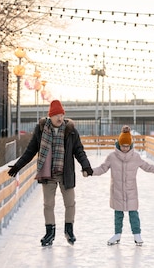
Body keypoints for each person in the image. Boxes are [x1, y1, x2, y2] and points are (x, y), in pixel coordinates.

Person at [7, 100, 92, 246]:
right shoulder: (41, 130)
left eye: (61, 115)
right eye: (56, 115)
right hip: (48, 173)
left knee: (70, 203)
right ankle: (49, 232)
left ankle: (69, 230)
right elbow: (30, 151)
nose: (59, 118)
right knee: (48, 204)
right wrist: (17, 166)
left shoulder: (70, 130)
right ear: (50, 116)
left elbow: (79, 150)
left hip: (66, 173)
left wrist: (86, 166)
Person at [90, 125, 154, 246]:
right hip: (117, 191)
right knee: (118, 214)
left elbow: (148, 167)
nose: (125, 148)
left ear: (130, 145)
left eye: (127, 146)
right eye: (123, 146)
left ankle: (137, 235)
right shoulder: (112, 157)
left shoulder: (135, 157)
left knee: (133, 214)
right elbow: (102, 168)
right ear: (118, 144)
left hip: (131, 191)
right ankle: (117, 234)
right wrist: (90, 172)